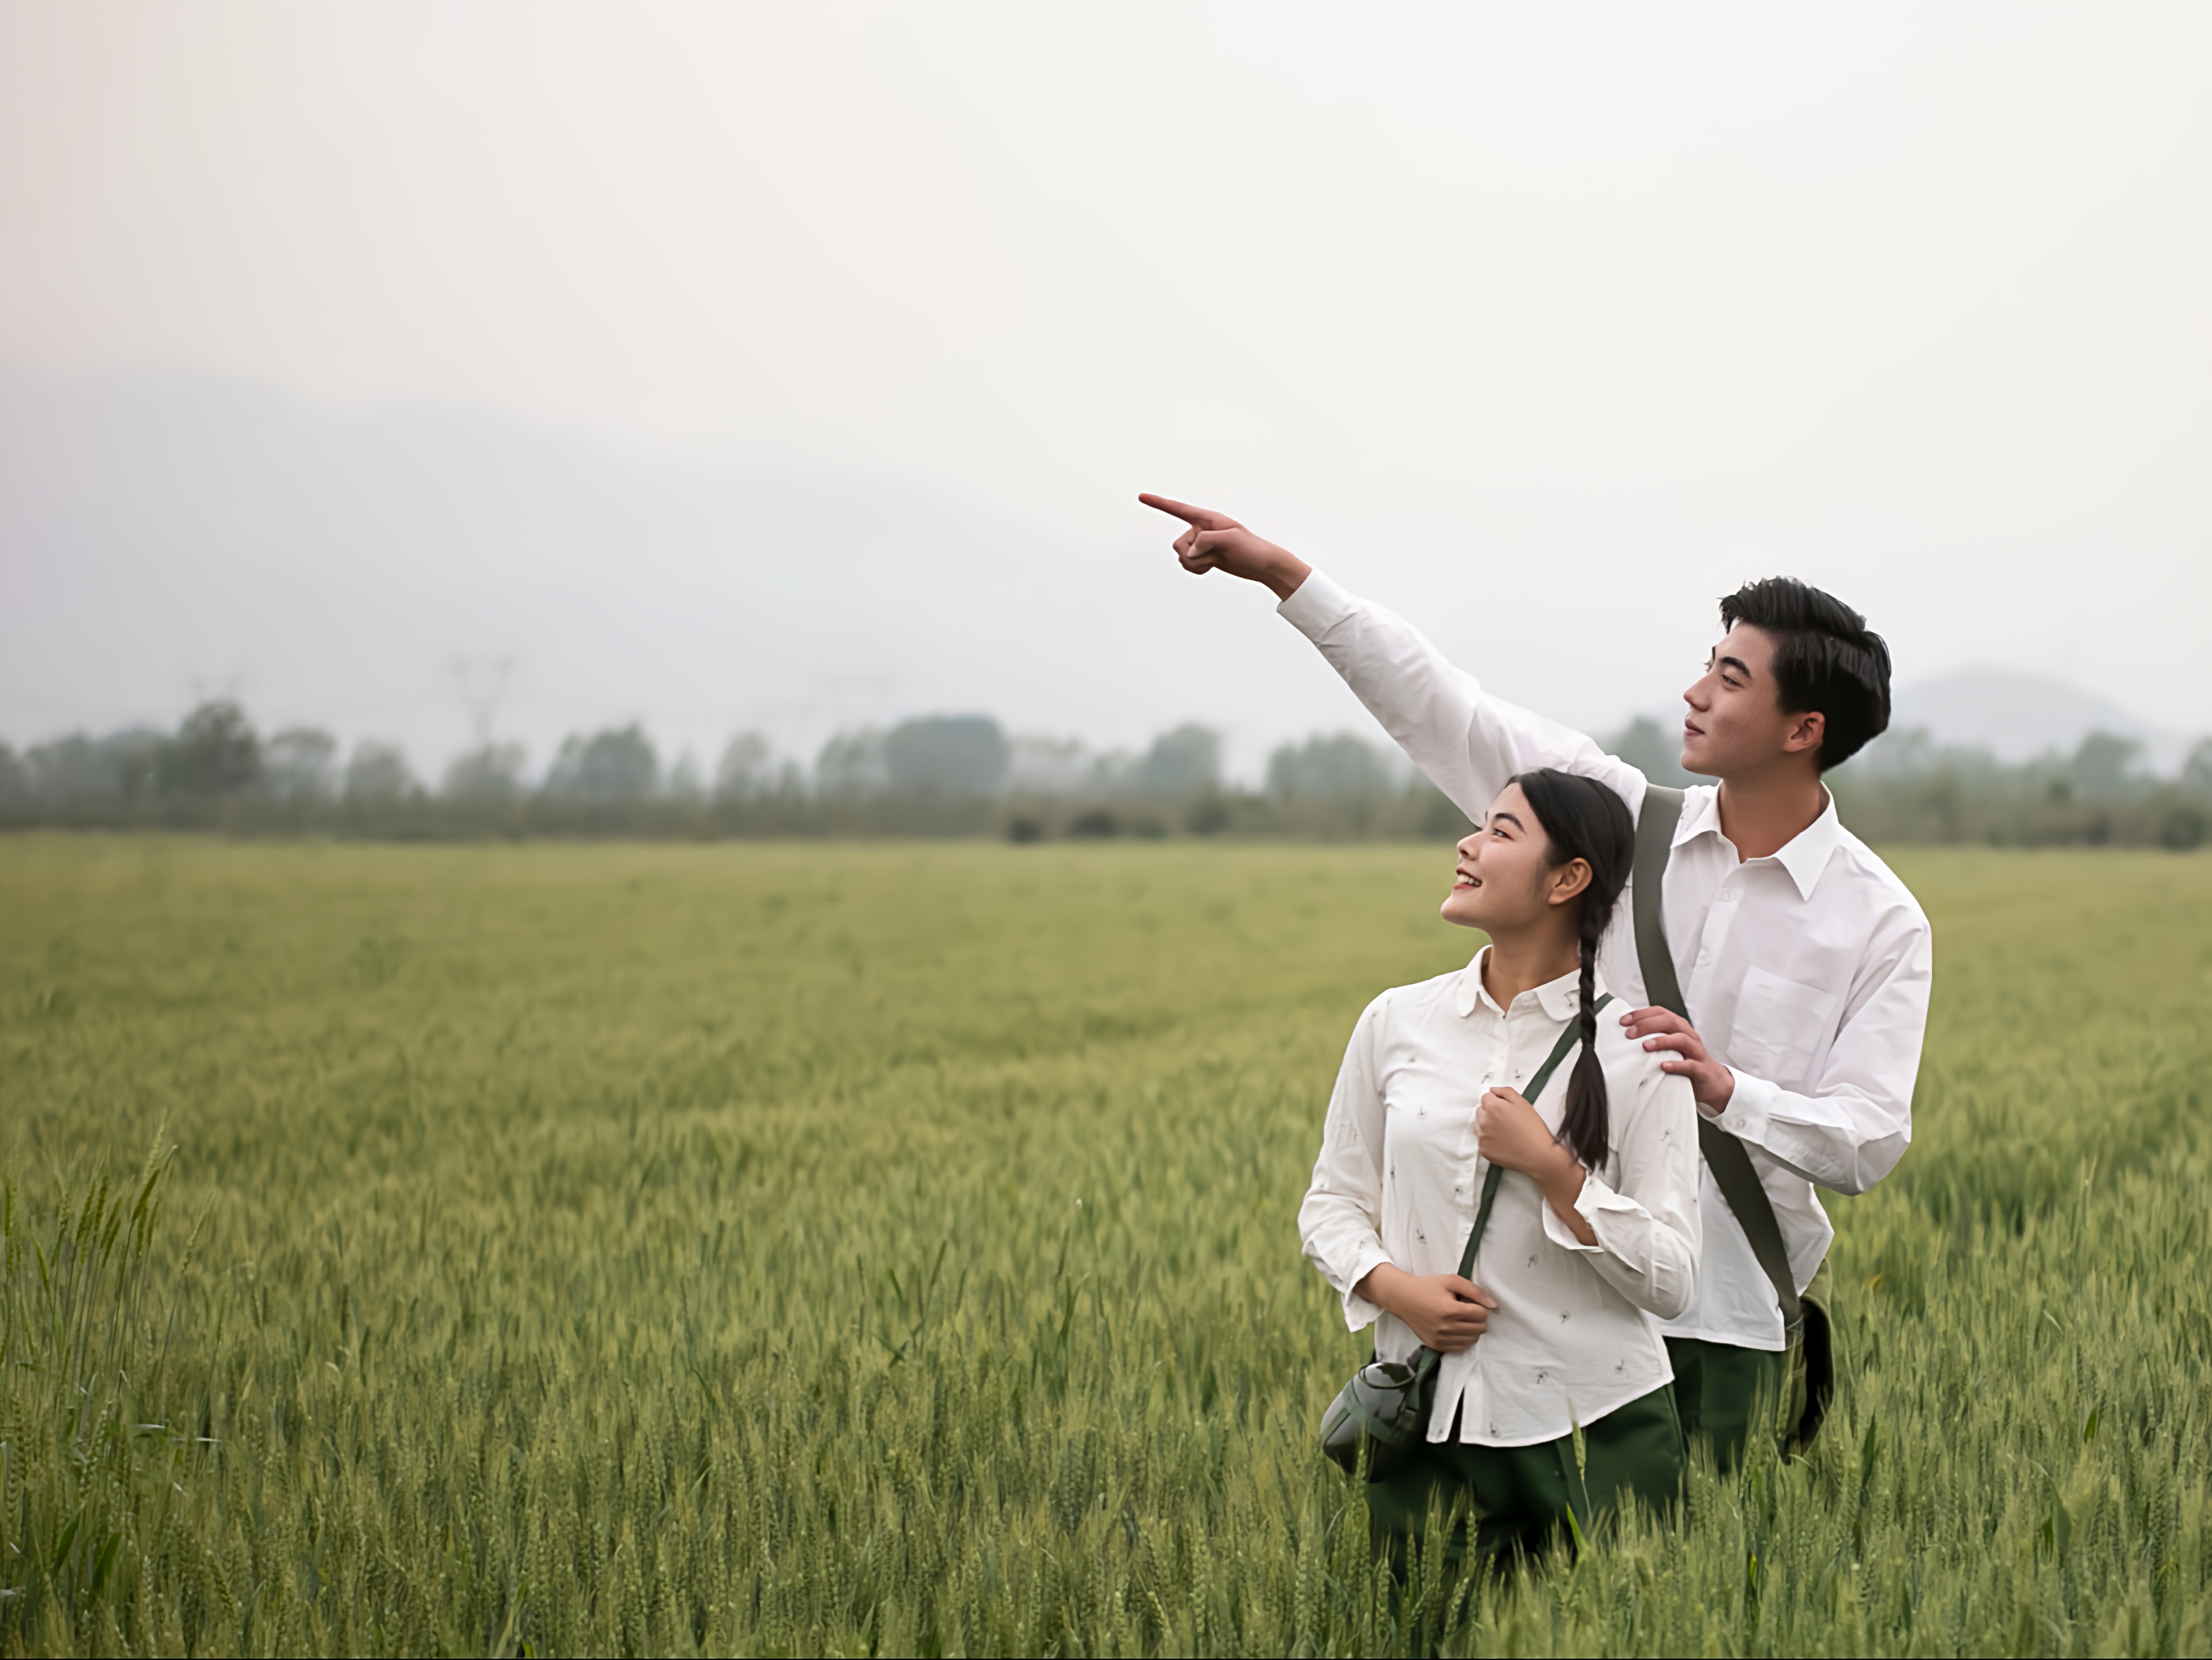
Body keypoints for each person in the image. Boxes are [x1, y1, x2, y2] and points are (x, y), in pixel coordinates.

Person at [1146, 492, 1933, 1468]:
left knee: (1689, 1600)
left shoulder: (1881, 921)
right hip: (1550, 1311)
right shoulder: (1619, 819)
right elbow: (1446, 710)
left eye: (1730, 678)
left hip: (1726, 1316)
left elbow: (1869, 1140)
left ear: (1802, 728)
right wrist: (1283, 576)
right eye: (1707, 664)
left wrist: (1731, 1092)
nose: (1694, 693)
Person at [1302, 768, 1700, 1565]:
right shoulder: (1395, 1021)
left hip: (1602, 1433)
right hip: (1425, 1428)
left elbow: (1674, 1279)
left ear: (1569, 878)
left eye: (1501, 831)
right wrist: (1395, 1291)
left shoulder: (1640, 1051)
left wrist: (1556, 1171)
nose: (1468, 844)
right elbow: (1329, 1206)